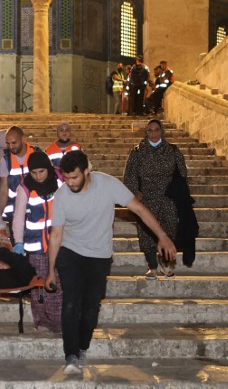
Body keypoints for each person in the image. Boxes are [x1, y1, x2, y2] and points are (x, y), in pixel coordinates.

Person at [46, 149, 175, 375]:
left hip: (99, 255)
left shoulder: (108, 185)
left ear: (87, 171)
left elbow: (139, 209)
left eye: (74, 177)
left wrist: (162, 236)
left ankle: (82, 346)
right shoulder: (62, 196)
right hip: (71, 252)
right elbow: (56, 235)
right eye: (65, 178)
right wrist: (49, 271)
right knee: (70, 303)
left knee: (90, 308)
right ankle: (71, 356)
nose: (70, 182)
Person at [123, 119, 188, 279]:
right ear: (146, 132)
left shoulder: (172, 150)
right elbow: (130, 174)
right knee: (147, 232)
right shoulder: (138, 151)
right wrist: (134, 192)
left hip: (168, 197)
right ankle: (152, 266)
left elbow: (182, 174)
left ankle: (167, 264)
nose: (153, 133)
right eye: (150, 130)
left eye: (156, 130)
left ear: (161, 131)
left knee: (168, 229)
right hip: (147, 196)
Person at [9, 150, 63, 333]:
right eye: (34, 173)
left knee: (58, 286)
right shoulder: (24, 188)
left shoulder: (60, 181)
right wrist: (18, 241)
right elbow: (18, 216)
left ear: (48, 169)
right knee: (39, 287)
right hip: (36, 246)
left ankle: (60, 322)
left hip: (61, 243)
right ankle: (42, 321)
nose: (38, 176)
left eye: (42, 171)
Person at [0, 126, 41, 236]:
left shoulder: (37, 154)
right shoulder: (6, 160)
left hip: (37, 213)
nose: (11, 146)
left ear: (23, 139)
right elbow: (3, 190)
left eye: (14, 143)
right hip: (14, 215)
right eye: (8, 143)